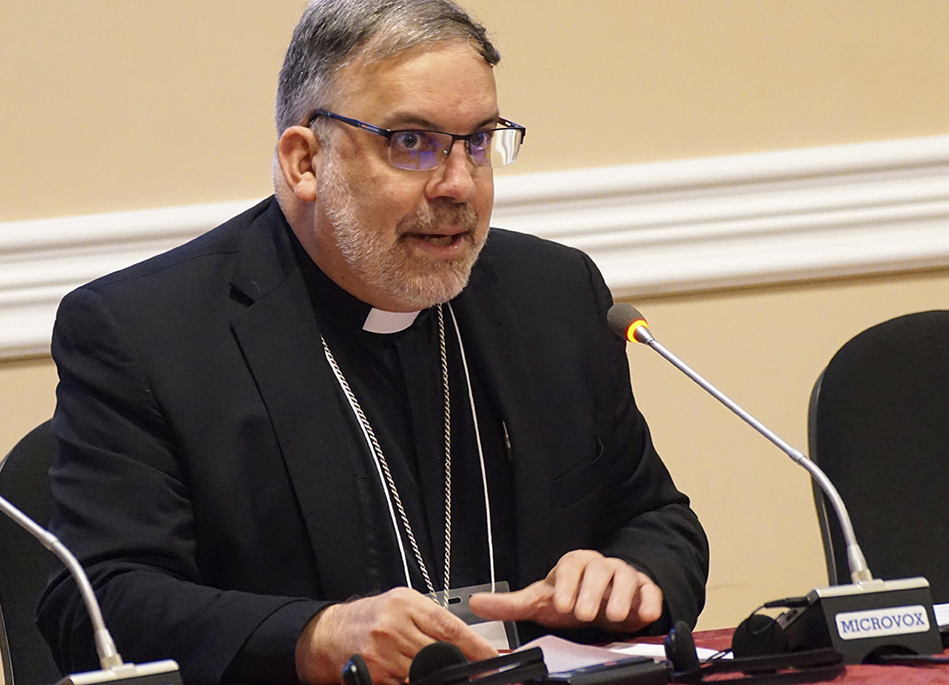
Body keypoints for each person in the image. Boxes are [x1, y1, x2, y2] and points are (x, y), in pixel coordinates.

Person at [38, 1, 709, 683]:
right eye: (411, 142)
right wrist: (313, 635)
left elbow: (655, 516)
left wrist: (631, 574)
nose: (457, 184)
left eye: (478, 141)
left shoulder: (555, 294)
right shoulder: (146, 333)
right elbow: (92, 603)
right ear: (305, 161)